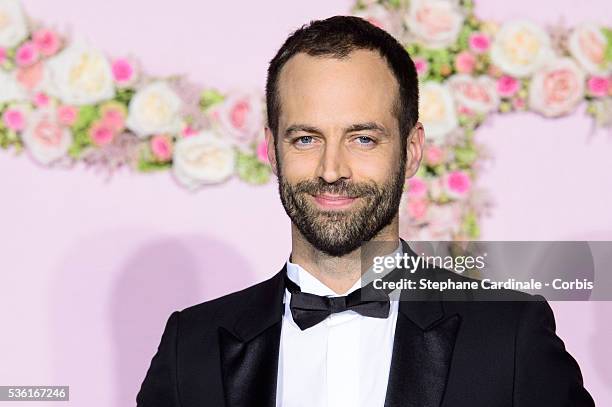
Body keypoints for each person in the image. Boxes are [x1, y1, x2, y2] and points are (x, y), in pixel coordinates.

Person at [136, 16, 594, 407]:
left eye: (363, 139)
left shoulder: (509, 338)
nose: (331, 169)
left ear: (412, 150)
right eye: (305, 139)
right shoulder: (190, 347)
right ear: (272, 151)